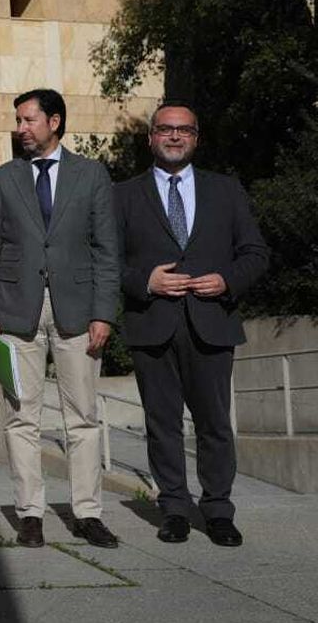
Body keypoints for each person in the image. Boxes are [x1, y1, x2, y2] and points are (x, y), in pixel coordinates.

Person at [114, 101, 269, 546]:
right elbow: (104, 261)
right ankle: (175, 509)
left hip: (212, 322)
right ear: (151, 138)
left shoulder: (226, 190)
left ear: (196, 138)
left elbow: (256, 254)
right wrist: (145, 280)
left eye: (184, 130)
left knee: (215, 423)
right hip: (152, 325)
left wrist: (226, 280)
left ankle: (218, 510)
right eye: (165, 129)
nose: (175, 137)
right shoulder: (123, 194)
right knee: (161, 423)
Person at [0, 87, 121, 549]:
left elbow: (106, 250)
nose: (20, 128)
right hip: (16, 314)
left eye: (28, 120)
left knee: (82, 419)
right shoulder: (3, 179)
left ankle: (87, 514)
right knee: (22, 419)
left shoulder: (91, 175)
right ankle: (30, 514)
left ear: (54, 122)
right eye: (18, 121)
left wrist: (104, 313)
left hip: (78, 313)